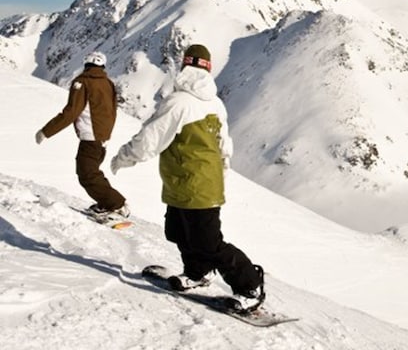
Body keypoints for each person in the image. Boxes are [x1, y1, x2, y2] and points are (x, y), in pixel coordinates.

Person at [109, 44, 265, 313]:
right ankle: (197, 273)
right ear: (208, 68)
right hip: (185, 183)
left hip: (197, 186)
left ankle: (250, 285)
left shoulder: (178, 103)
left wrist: (122, 158)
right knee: (179, 232)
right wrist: (220, 175)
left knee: (209, 242)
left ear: (184, 67)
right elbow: (224, 145)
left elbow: (149, 139)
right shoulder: (214, 104)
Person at [36, 51, 129, 222]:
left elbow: (71, 112)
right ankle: (106, 203)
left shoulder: (82, 82)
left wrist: (46, 131)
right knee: (93, 173)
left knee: (87, 174)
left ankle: (116, 204)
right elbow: (112, 111)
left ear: (86, 64)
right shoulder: (108, 83)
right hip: (102, 139)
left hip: (90, 137)